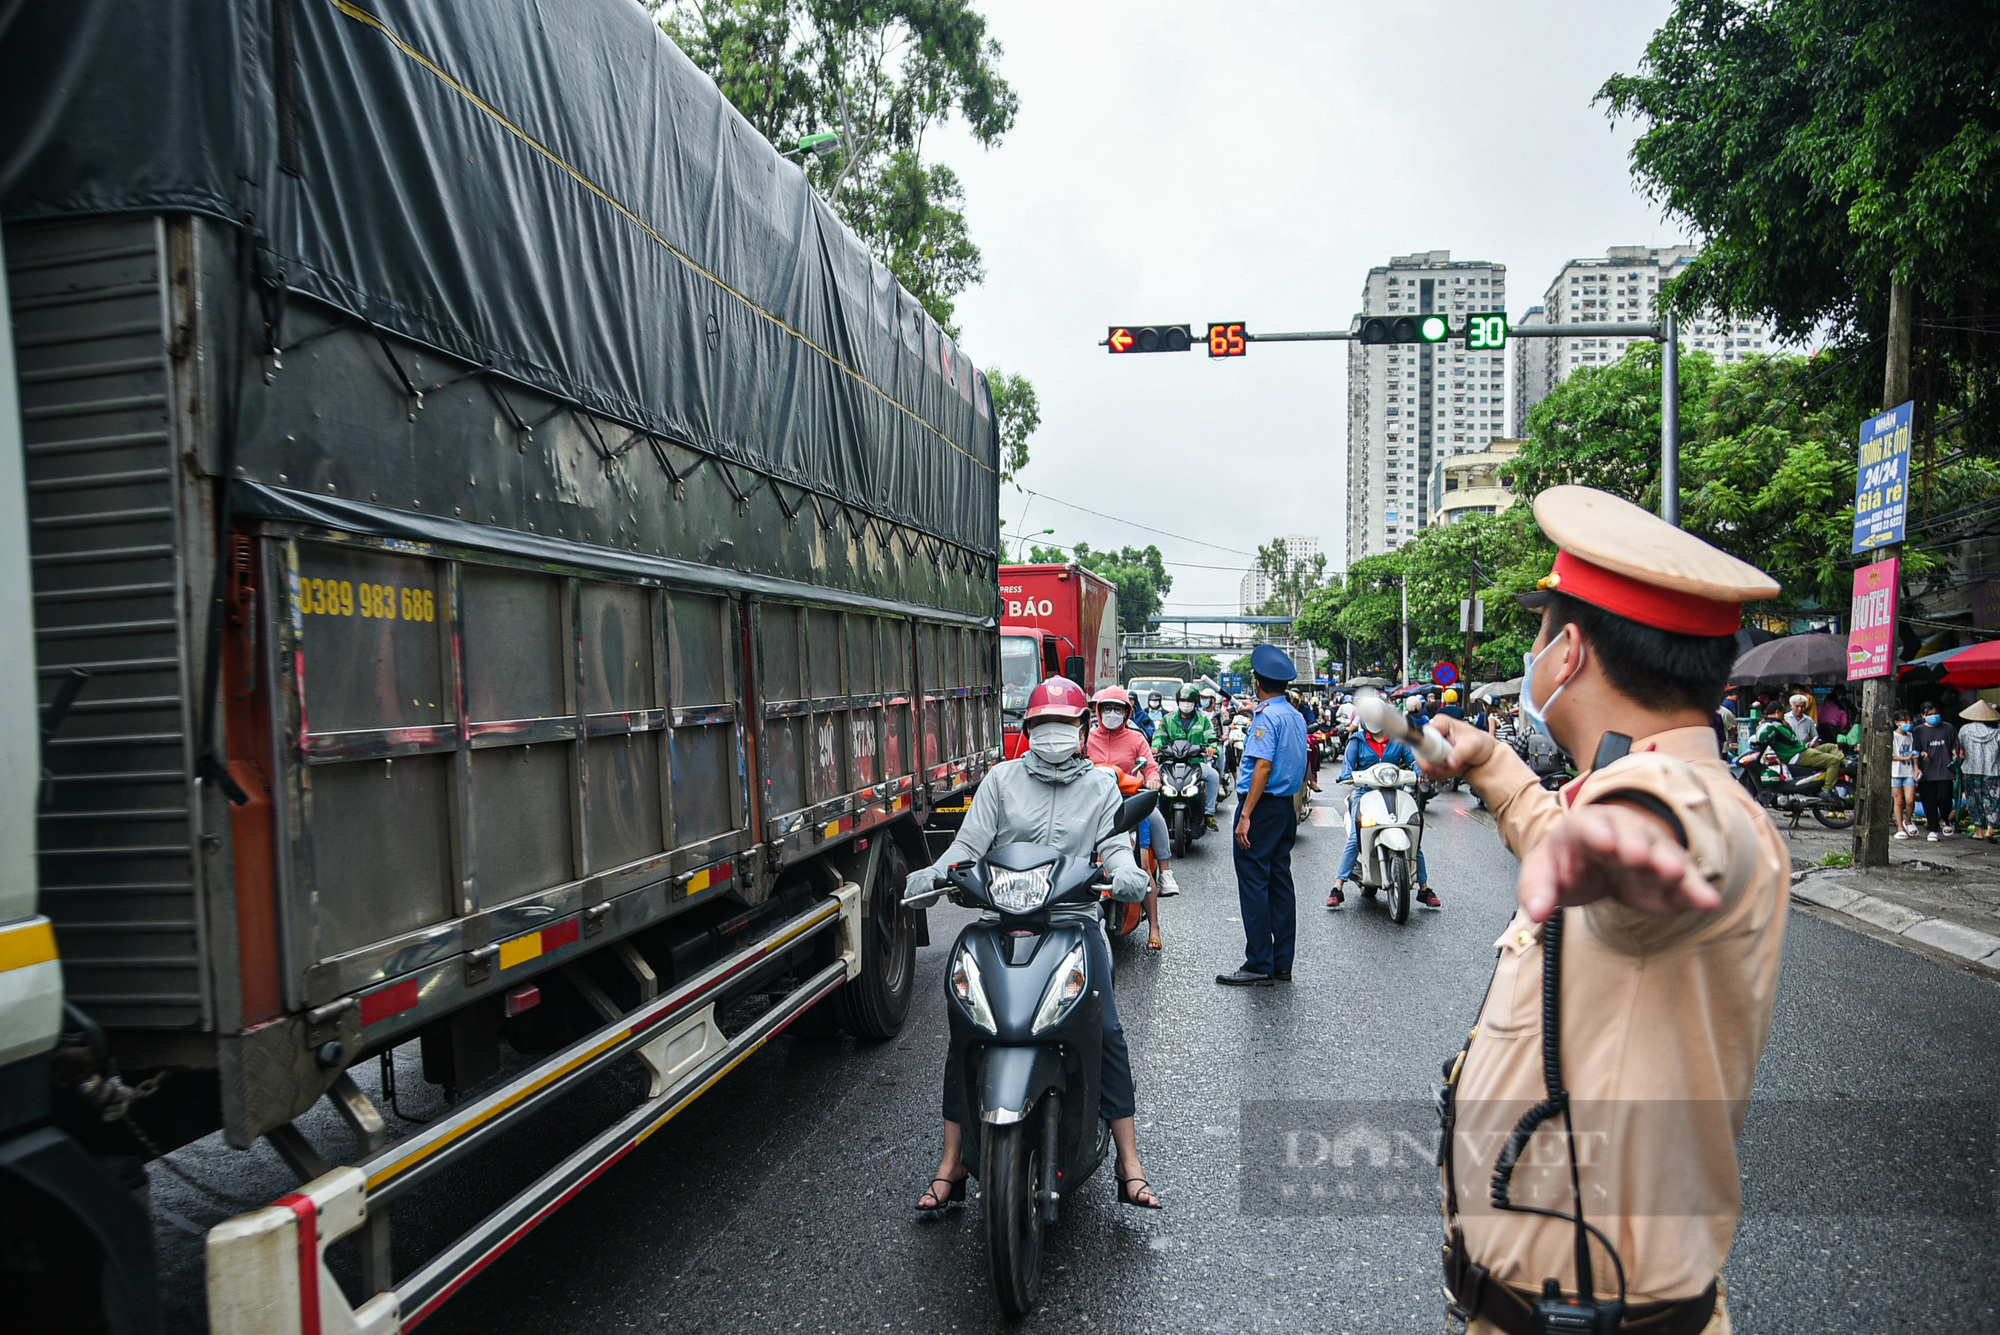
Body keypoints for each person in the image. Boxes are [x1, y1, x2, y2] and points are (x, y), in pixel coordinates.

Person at [1424, 486, 1788, 1335]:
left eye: (1539, 630)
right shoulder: (1623, 794)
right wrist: (1493, 764)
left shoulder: (1681, 797)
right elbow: (1571, 830)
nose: (1533, 652)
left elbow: (1670, 828)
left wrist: (1632, 838)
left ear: (1570, 652)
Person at [904, 677, 1162, 1211]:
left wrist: (1127, 872)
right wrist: (933, 874)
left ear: (1081, 730)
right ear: (1027, 731)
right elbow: (967, 846)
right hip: (1001, 922)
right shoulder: (1000, 782)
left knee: (1107, 1029)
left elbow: (1114, 846)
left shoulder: (1101, 787)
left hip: (1073, 921)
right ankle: (951, 1161)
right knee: (966, 1030)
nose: (1054, 735)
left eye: (1065, 726)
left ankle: (1128, 1160)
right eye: (1044, 725)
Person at [1217, 643, 1308, 986]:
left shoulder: (1266, 718)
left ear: (1257, 683)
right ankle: (1281, 963)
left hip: (1263, 806)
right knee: (1280, 883)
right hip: (1285, 806)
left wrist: (1245, 815)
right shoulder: (1295, 716)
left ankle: (1258, 962)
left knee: (1254, 883)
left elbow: (1262, 767)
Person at [1086, 687, 1172, 948]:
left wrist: (1154, 782)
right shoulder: (1088, 738)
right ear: (1098, 711)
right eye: (1107, 708)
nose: (1112, 713)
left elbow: (1152, 767)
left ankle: (1154, 925)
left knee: (1144, 862)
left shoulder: (1136, 738)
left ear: (1127, 712)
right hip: (1092, 806)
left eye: (1118, 709)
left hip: (1129, 804)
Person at [1325, 719, 1437, 908]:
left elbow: (1413, 760)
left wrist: (1420, 771)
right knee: (1355, 838)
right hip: (1365, 793)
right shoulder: (1357, 741)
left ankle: (1424, 888)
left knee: (1414, 836)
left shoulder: (1398, 740)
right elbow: (1348, 766)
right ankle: (1338, 887)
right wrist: (1347, 776)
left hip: (1396, 791)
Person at [1154, 683, 1222, 833]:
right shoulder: (1168, 719)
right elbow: (1159, 735)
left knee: (1214, 776)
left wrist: (1212, 747)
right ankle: (1155, 813)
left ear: (1195, 702)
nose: (1186, 705)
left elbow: (1210, 736)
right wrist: (1156, 746)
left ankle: (1209, 813)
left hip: (1194, 763)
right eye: (1183, 701)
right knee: (1154, 777)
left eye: (1189, 702)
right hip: (1171, 762)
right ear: (1178, 701)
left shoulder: (1203, 720)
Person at [1744, 702, 1843, 793]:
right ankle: (1827, 790)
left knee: (1829, 747)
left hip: (1801, 750)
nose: (1784, 715)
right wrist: (1788, 727)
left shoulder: (1767, 724)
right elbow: (1793, 740)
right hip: (1797, 754)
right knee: (1834, 761)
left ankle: (1845, 762)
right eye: (1783, 713)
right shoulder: (1776, 726)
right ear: (1777, 712)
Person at [1913, 701, 1959, 840]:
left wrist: (1956, 753)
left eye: (1936, 713)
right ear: (1923, 715)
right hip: (1926, 772)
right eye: (1930, 714)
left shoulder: (1948, 728)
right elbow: (1915, 750)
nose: (1934, 716)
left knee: (1944, 797)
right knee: (1929, 801)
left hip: (1945, 770)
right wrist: (1916, 767)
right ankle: (1933, 828)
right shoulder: (1918, 731)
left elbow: (1954, 745)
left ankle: (1945, 819)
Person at [1957, 700, 2000, 840]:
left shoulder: (1964, 730)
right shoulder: (1997, 732)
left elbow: (1961, 748)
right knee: (1992, 799)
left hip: (1971, 769)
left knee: (1973, 799)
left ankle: (1978, 831)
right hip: (1992, 771)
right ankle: (1990, 830)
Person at [1891, 709, 1920, 838]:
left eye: (1909, 720)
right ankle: (1900, 827)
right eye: (1904, 720)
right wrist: (1905, 758)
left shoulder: (1911, 736)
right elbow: (1890, 756)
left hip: (1908, 772)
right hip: (1895, 772)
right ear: (1897, 722)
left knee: (1910, 799)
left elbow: (1915, 754)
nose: (1908, 723)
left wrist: (1916, 767)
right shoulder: (1892, 736)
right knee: (1898, 800)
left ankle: (1908, 820)